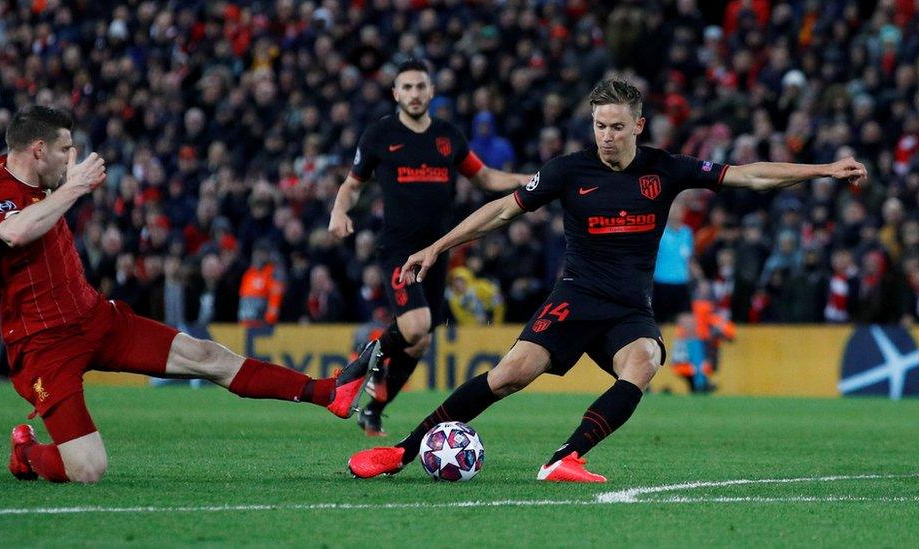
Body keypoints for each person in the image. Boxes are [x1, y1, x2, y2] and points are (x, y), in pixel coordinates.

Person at [347, 78, 867, 482]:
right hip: (576, 296)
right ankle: (402, 450)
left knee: (645, 362)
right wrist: (437, 248)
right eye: (599, 126)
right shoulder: (568, 171)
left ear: (638, 126)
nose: (607, 136)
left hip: (628, 307)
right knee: (509, 376)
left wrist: (824, 169)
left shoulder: (666, 169)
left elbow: (749, 174)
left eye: (617, 126)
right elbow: (502, 211)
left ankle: (564, 457)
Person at [0, 106, 381, 484]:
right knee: (88, 470)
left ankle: (328, 392)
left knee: (208, 356)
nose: (71, 157)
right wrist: (74, 188)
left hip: (95, 318)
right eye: (64, 149)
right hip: (43, 344)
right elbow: (15, 231)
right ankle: (26, 452)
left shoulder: (42, 181)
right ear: (38, 149)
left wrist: (67, 186)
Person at [328, 59, 530, 437]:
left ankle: (374, 409)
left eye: (421, 87)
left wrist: (530, 180)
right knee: (416, 325)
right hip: (399, 249)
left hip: (438, 250)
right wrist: (339, 210)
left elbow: (484, 177)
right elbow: (353, 184)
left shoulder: (448, 137)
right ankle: (358, 368)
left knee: (419, 342)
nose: (415, 94)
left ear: (431, 92)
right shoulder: (379, 135)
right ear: (396, 94)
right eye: (407, 88)